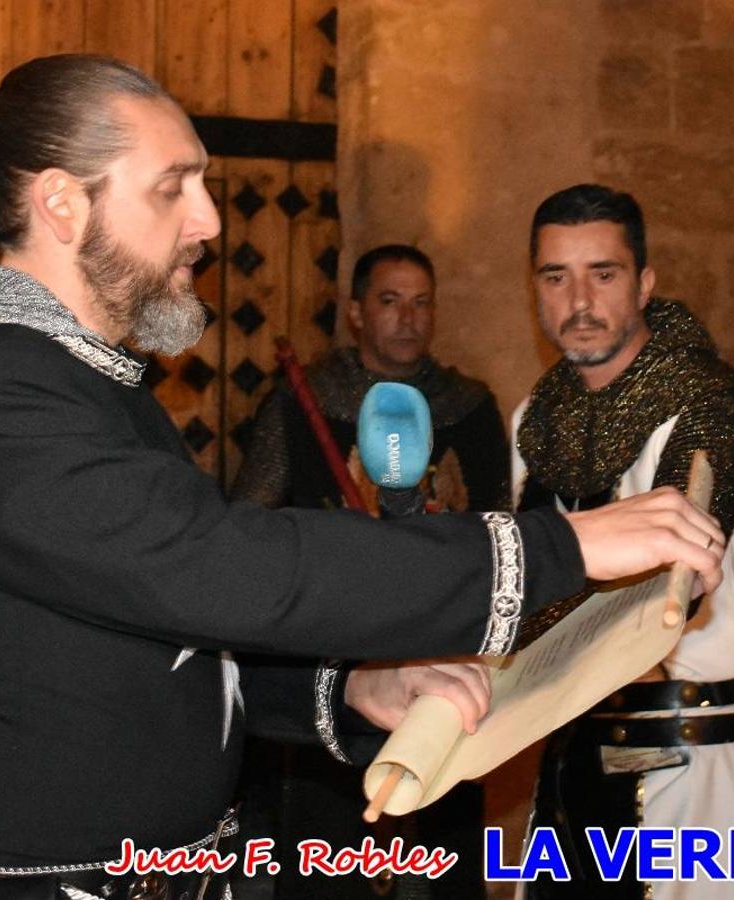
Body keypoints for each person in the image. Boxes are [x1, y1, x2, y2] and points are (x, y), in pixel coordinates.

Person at [0, 57, 725, 900]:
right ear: (62, 203)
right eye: (174, 186)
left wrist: (345, 688)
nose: (209, 219)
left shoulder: (73, 373)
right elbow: (215, 567)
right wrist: (558, 546)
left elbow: (138, 638)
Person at [511, 184, 734, 900]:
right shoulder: (538, 419)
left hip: (695, 766)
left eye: (602, 274)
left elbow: (661, 586)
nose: (579, 300)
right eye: (556, 277)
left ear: (644, 283)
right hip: (571, 751)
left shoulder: (715, 412)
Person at [230, 244, 507, 899]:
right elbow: (247, 527)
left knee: (440, 863)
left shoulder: (468, 407)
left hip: (441, 658)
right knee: (333, 861)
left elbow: (499, 535)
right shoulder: (307, 400)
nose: (408, 318)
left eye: (421, 302)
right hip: (334, 662)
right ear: (356, 313)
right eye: (389, 301)